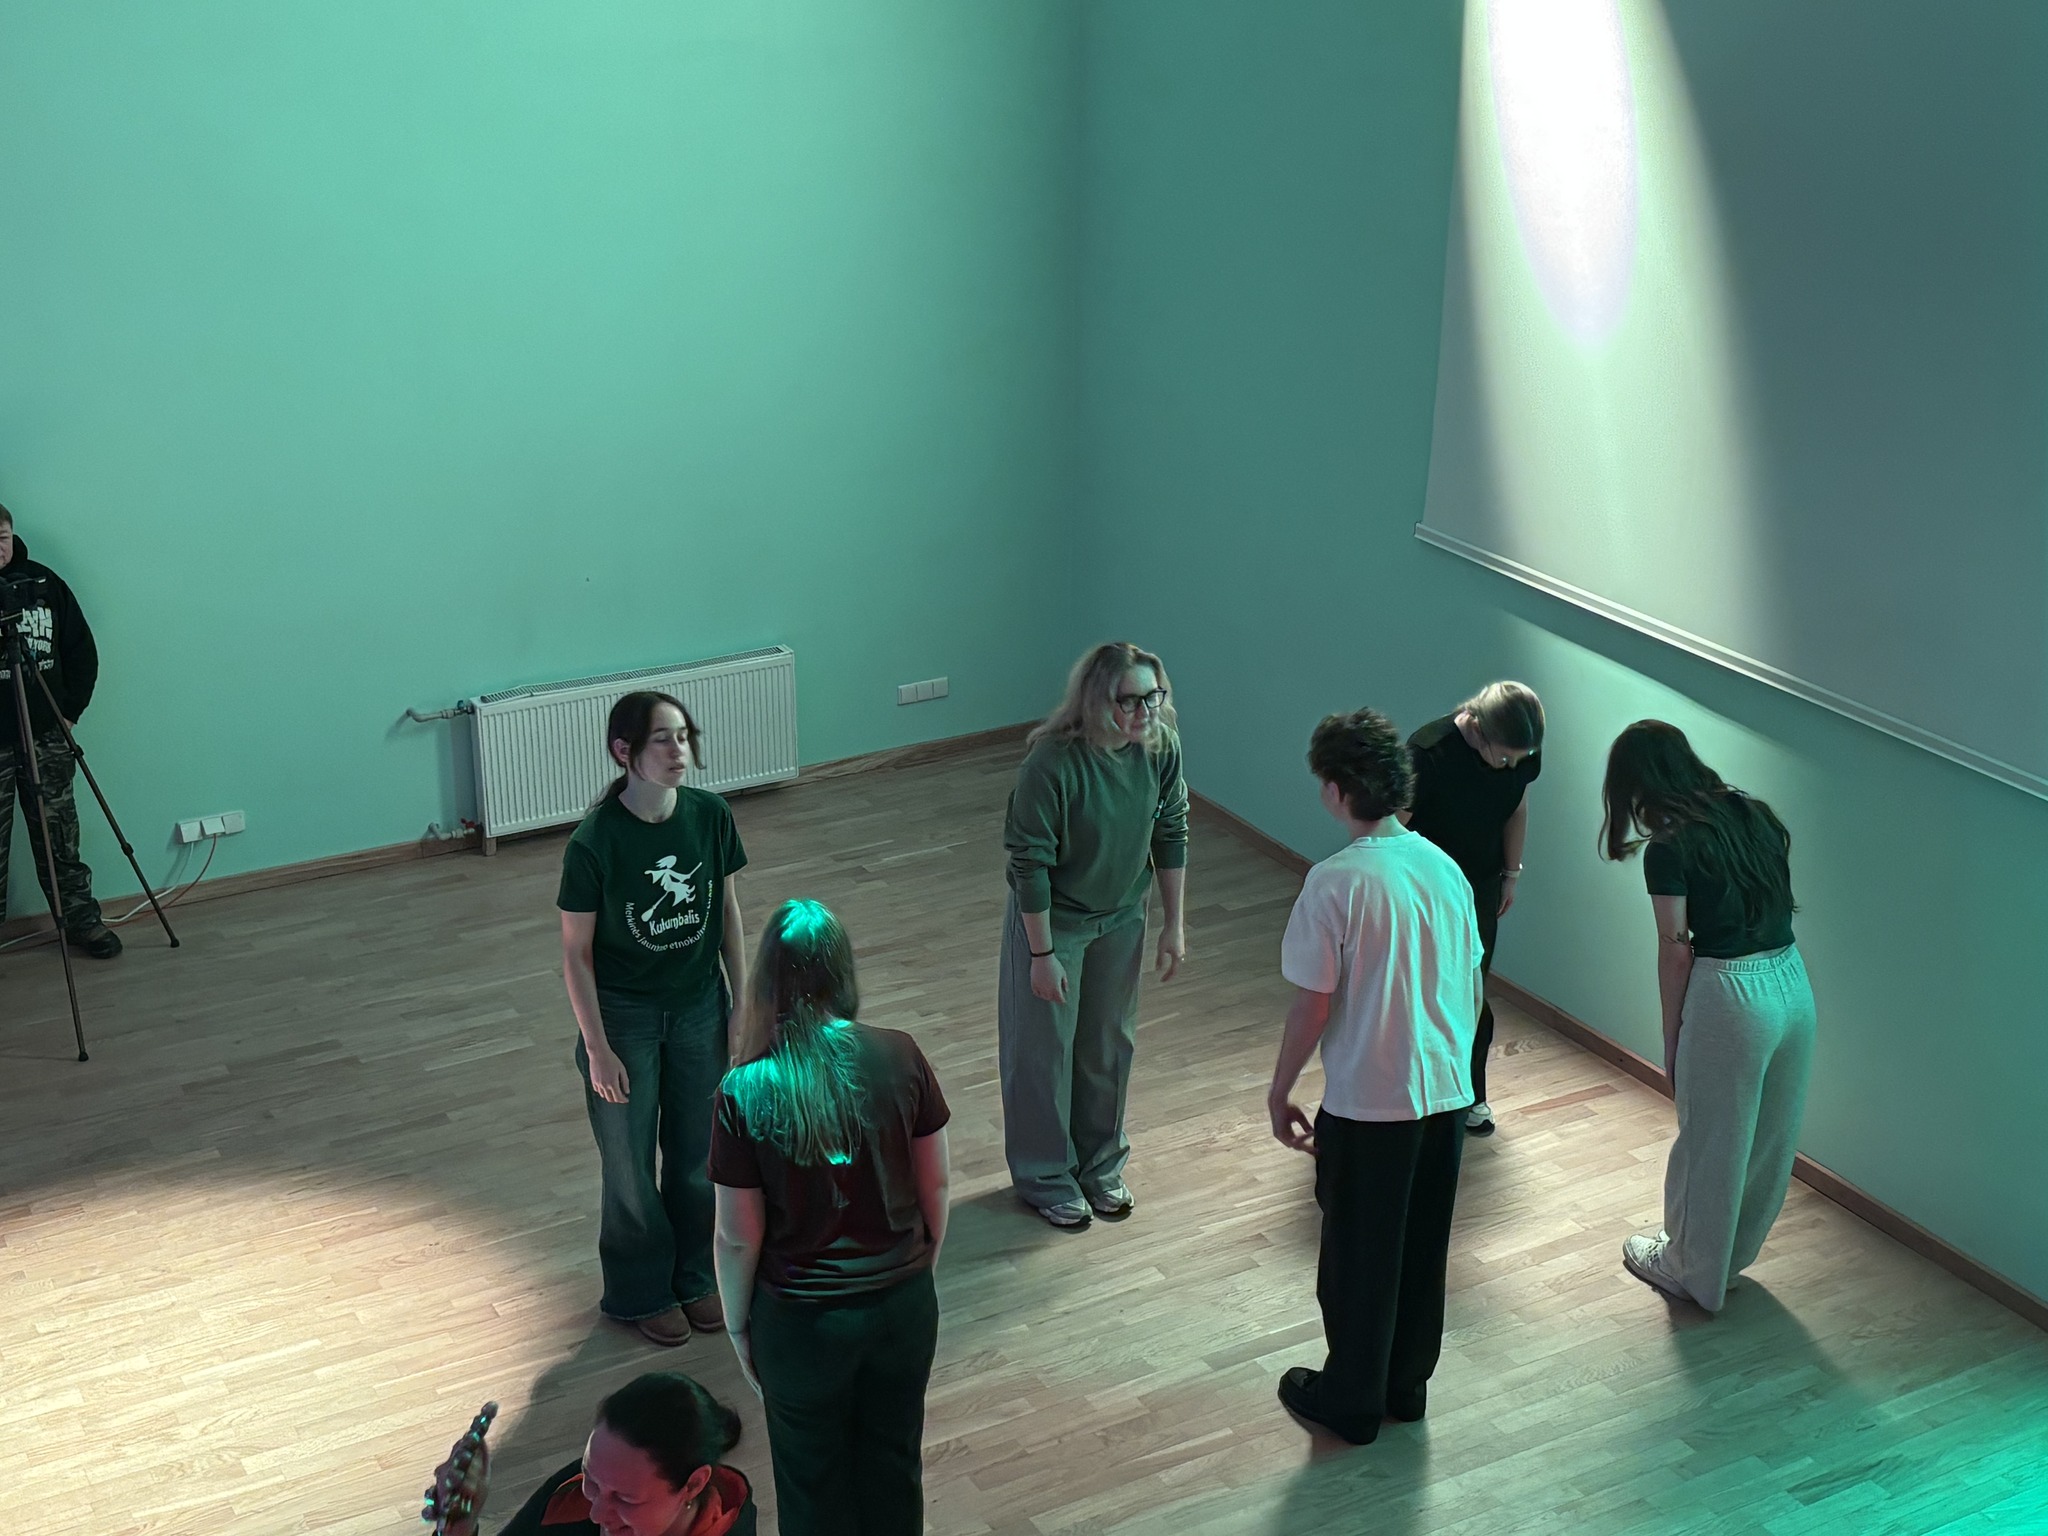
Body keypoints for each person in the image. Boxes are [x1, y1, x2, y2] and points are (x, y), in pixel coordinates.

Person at [1266, 709, 1484, 1445]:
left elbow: (1314, 1004)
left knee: (1359, 1256)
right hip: (1446, 1096)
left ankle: (1351, 1401)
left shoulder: (1334, 882)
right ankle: (1405, 1386)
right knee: (1422, 1247)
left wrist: (1280, 1089)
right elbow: (1472, 983)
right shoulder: (1444, 869)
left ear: (1335, 790)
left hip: (1370, 1102)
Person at [710, 899, 951, 1536]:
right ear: (843, 972)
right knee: (894, 1470)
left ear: (766, 981)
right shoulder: (902, 1054)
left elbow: (736, 1237)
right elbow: (936, 1183)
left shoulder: (743, 1090)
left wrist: (737, 1326)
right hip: (901, 1307)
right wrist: (918, 1269)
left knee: (811, 1487)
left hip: (801, 1327)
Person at [1600, 720, 1815, 1313]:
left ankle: (1687, 1269)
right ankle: (1725, 1261)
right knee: (1769, 1140)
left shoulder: (1670, 846)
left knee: (1711, 1140)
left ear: (1637, 785)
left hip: (1732, 994)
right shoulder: (1754, 814)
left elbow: (1675, 949)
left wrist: (1673, 1035)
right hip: (1793, 983)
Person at [559, 691, 749, 1347]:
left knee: (698, 1155)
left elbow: (727, 913)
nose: (679, 750)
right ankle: (640, 1291)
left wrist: (741, 1002)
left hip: (699, 1007)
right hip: (624, 1018)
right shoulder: (595, 842)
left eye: (683, 736)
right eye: (662, 739)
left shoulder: (710, 816)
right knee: (630, 1166)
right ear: (624, 751)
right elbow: (576, 955)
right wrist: (597, 1047)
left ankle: (695, 1277)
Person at [998, 641, 1189, 1228]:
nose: (1144, 712)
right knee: (1043, 1050)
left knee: (1108, 1043)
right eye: (1129, 701)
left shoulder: (1160, 746)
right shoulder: (1052, 763)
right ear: (1097, 701)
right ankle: (1044, 1175)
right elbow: (1028, 863)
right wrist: (1041, 954)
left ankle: (1100, 1164)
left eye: (1152, 697)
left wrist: (1174, 923)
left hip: (1122, 914)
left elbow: (1172, 829)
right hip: (1054, 921)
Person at [1402, 681, 1544, 1136]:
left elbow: (1517, 808)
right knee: (1420, 989)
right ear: (1479, 730)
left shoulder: (1521, 750)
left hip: (1480, 885)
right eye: (1504, 758)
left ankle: (1469, 1093)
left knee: (1471, 989)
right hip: (1424, 888)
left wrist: (1511, 873)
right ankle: (1410, 1094)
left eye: (1521, 759)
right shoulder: (1427, 753)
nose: (1513, 766)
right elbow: (1394, 828)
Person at [426, 1370, 757, 1536]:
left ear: (694, 1484)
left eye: (625, 1499)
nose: (596, 1512)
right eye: (591, 1479)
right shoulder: (578, 1495)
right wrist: (460, 1525)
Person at [0, 504, 119, 957]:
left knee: (60, 837)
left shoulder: (44, 584)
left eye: (1, 537)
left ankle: (82, 922)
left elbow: (81, 649)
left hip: (45, 734)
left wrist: (69, 713)